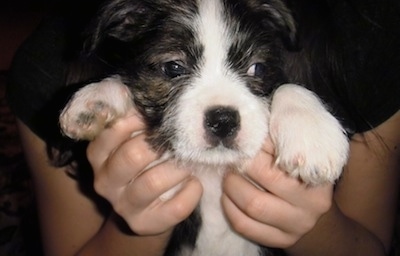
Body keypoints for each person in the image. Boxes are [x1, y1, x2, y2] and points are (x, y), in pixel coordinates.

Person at [6, 0, 400, 255]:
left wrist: (296, 102)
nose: (222, 107)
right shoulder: (47, 66)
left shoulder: (363, 35)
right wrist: (117, 94)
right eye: (175, 68)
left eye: (255, 70)